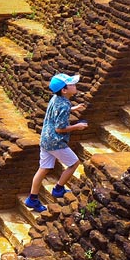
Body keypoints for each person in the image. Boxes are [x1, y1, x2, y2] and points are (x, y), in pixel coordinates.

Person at [24, 73, 88, 212]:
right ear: (64, 90)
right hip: (55, 142)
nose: (75, 85)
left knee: (44, 168)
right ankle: (58, 189)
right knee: (74, 163)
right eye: (72, 84)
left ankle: (32, 199)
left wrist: (73, 108)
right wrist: (77, 126)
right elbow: (60, 129)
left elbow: (56, 111)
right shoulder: (64, 105)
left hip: (45, 139)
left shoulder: (56, 98)